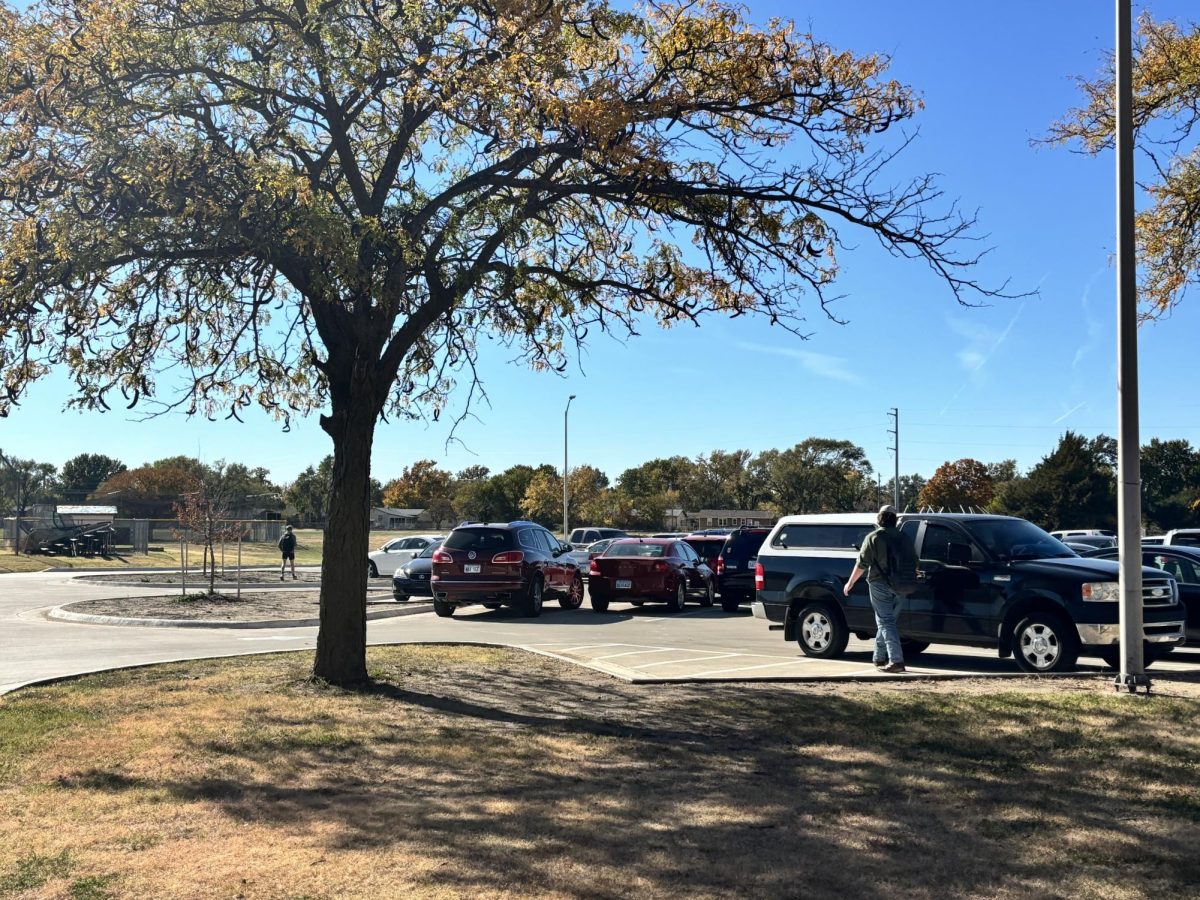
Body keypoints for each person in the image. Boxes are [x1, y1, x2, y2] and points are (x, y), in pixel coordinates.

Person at [843, 505, 912, 674]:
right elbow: (914, 560)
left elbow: (862, 564)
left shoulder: (873, 537)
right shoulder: (904, 537)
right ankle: (879, 657)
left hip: (880, 583)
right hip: (903, 585)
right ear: (894, 519)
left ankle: (896, 660)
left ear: (880, 518)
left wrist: (850, 583)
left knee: (885, 621)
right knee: (887, 621)